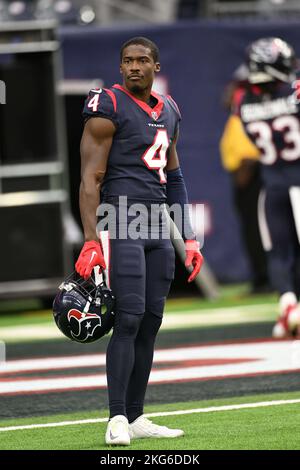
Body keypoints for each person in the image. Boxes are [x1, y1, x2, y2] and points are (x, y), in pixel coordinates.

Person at [75, 37, 203, 446]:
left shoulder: (171, 110)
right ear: (120, 67)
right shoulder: (107, 105)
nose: (134, 66)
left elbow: (176, 178)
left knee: (150, 323)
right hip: (120, 217)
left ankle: (135, 415)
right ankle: (115, 417)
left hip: (156, 224)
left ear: (156, 66)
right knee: (127, 318)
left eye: (142, 60)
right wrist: (91, 239)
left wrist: (189, 237)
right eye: (127, 60)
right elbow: (90, 178)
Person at [237, 37, 300, 338]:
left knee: (280, 252)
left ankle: (287, 302)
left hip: (273, 184)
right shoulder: (294, 92)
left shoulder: (245, 104)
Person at [220, 68, 269, 294]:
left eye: (235, 87)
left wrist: (245, 176)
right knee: (252, 229)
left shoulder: (248, 111)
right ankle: (262, 276)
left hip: (253, 179)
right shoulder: (238, 113)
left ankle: (267, 278)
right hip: (246, 179)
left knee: (260, 229)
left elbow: (250, 155)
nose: (229, 91)